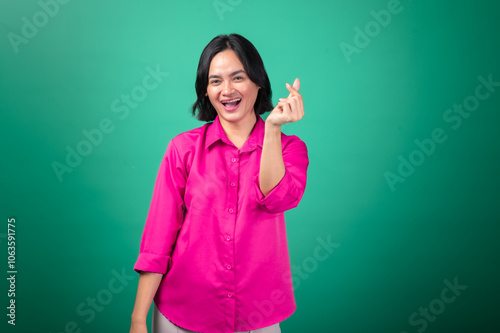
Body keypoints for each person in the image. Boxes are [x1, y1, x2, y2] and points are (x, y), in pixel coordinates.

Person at [129, 33, 309, 333]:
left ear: (258, 81)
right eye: (215, 81)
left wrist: (273, 129)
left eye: (238, 77)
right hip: (182, 315)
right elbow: (157, 239)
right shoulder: (182, 149)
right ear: (205, 90)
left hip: (258, 315)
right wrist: (137, 319)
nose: (227, 90)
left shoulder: (290, 149)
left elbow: (276, 199)